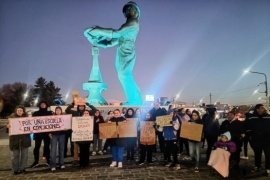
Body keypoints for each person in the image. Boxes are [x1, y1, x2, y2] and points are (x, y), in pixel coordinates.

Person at [84, 1, 142, 105]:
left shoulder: (133, 22)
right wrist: (96, 41)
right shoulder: (125, 25)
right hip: (121, 52)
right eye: (126, 9)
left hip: (127, 51)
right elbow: (109, 43)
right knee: (123, 75)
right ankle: (135, 99)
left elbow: (116, 33)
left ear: (136, 12)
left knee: (124, 74)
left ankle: (135, 100)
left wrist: (98, 30)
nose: (128, 10)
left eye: (131, 8)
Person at [244, 104, 270, 176]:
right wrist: (250, 136)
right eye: (261, 108)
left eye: (263, 108)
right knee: (257, 154)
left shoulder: (268, 117)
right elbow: (247, 127)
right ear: (257, 109)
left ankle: (268, 169)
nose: (262, 109)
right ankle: (257, 166)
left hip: (267, 140)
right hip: (256, 139)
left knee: (268, 155)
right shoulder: (252, 118)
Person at [7, 105, 31, 175]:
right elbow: (8, 130)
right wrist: (8, 127)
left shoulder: (27, 119)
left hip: (25, 139)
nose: (19, 111)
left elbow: (31, 128)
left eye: (21, 110)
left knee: (24, 155)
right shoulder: (11, 118)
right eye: (18, 110)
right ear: (16, 111)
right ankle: (15, 170)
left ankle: (22, 168)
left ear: (23, 111)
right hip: (15, 140)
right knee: (15, 156)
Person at [31, 101, 53, 168]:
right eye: (42, 104)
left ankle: (48, 160)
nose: (43, 105)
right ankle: (36, 161)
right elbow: (32, 122)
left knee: (47, 147)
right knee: (37, 147)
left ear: (46, 105)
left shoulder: (50, 113)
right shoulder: (35, 113)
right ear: (40, 105)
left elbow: (53, 123)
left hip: (47, 133)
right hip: (38, 133)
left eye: (44, 104)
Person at [49, 106, 66, 171]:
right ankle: (53, 165)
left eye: (59, 110)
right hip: (54, 135)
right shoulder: (52, 118)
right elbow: (49, 125)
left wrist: (66, 129)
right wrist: (49, 133)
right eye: (57, 110)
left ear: (61, 111)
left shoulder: (64, 118)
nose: (58, 111)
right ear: (55, 111)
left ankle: (61, 164)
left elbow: (66, 125)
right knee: (53, 150)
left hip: (62, 134)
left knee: (61, 150)